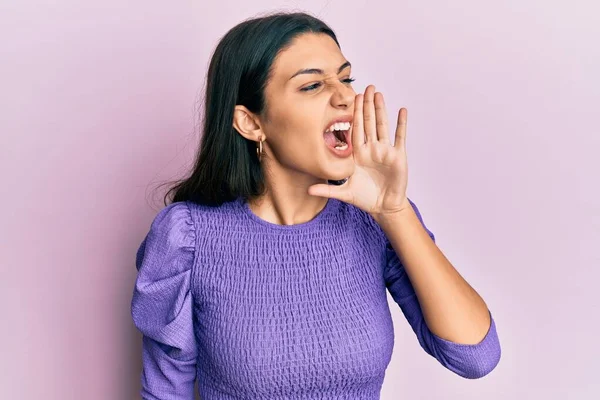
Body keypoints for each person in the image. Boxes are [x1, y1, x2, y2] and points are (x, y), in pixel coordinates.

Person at [130, 10, 501, 400]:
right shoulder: (187, 237)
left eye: (345, 78)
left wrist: (395, 213)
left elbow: (476, 358)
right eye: (312, 86)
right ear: (250, 122)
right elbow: (165, 393)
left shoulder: (374, 220)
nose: (344, 96)